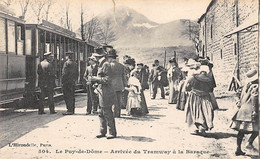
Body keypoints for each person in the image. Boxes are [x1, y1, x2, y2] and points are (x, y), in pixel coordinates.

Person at [230, 69, 258, 156]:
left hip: (242, 110)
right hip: (250, 111)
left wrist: (238, 102)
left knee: (241, 131)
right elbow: (255, 99)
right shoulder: (256, 86)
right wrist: (255, 111)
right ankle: (249, 143)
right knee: (257, 130)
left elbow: (238, 95)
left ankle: (238, 149)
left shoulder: (246, 85)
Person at [90, 53, 117, 139]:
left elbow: (107, 79)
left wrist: (95, 79)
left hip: (106, 92)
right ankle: (103, 131)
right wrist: (97, 83)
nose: (93, 59)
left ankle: (112, 133)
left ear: (98, 57)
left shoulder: (105, 65)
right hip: (101, 91)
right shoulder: (102, 64)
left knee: (107, 112)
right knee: (100, 112)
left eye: (94, 57)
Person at [185, 65, 214, 136]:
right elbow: (211, 90)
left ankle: (194, 128)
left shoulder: (193, 78)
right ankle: (203, 126)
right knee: (205, 111)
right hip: (205, 98)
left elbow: (187, 88)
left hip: (194, 97)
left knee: (193, 111)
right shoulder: (209, 80)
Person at [107, 49, 127, 118]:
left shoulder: (109, 65)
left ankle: (113, 114)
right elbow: (124, 77)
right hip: (119, 85)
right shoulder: (121, 66)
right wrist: (124, 85)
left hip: (111, 86)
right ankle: (117, 114)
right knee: (118, 100)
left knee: (111, 100)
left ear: (110, 58)